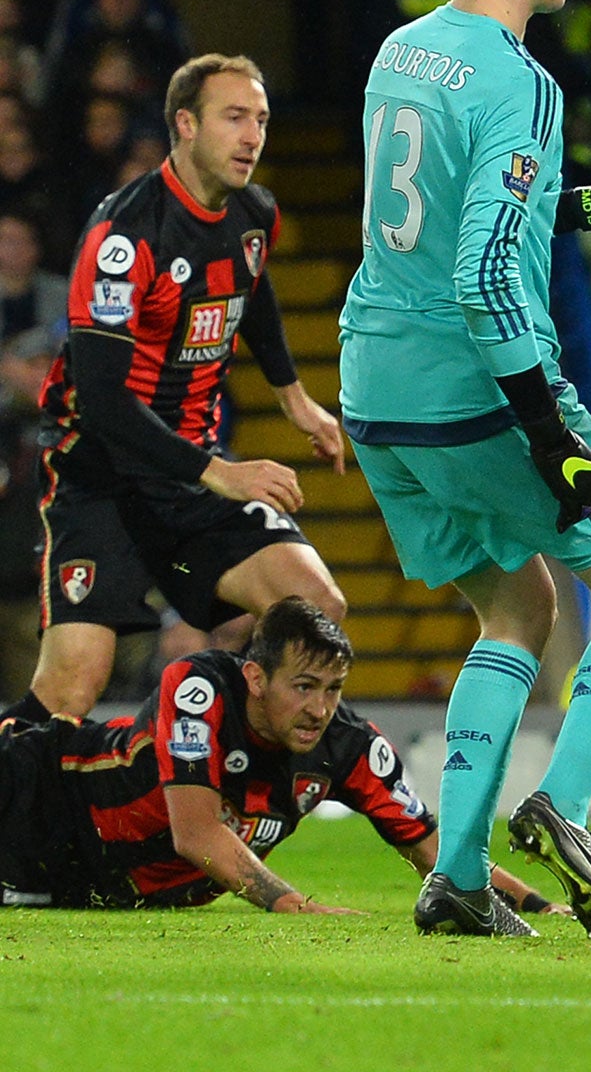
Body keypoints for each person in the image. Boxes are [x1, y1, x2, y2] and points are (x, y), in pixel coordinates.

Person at [338, 0, 591, 940]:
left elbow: (444, 207)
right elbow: (486, 270)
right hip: (480, 389)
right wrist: (552, 437)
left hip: (377, 389)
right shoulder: (518, 78)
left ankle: (454, 877)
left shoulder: (402, 51)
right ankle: (570, 802)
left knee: (518, 606)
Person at [1, 55, 349, 729]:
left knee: (314, 610)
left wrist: (293, 398)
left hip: (189, 474)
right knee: (71, 690)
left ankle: (228, 777)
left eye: (262, 120)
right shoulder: (125, 239)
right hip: (101, 477)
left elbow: (253, 282)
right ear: (184, 125)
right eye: (234, 117)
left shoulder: (254, 213)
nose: (253, 136)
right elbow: (103, 403)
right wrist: (220, 471)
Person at [0, 599, 557, 923]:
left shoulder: (349, 748)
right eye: (305, 686)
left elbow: (437, 851)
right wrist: (294, 905)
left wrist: (536, 904)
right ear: (257, 678)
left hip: (88, 886)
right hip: (34, 793)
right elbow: (194, 834)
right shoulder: (200, 688)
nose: (319, 709)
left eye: (334, 689)